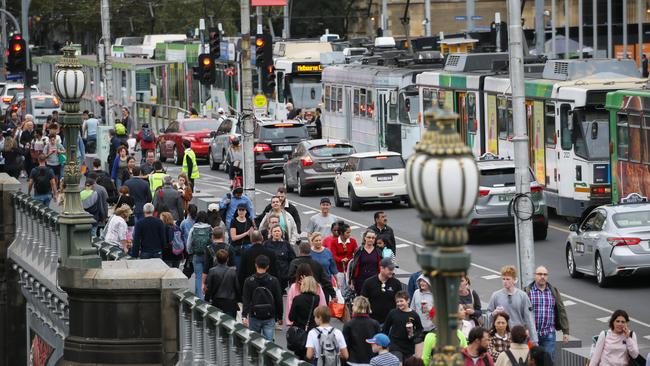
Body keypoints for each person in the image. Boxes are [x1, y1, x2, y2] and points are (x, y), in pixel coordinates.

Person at [524, 266, 570, 362]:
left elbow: (561, 310)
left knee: (548, 361)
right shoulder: (528, 291)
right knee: (531, 361)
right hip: (532, 334)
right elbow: (522, 312)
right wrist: (525, 328)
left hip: (548, 334)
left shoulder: (552, 291)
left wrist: (565, 331)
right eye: (540, 274)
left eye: (545, 274)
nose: (542, 277)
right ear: (535, 276)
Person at [487, 265, 538, 345]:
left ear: (514, 280)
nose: (505, 281)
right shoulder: (496, 295)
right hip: (502, 337)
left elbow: (529, 318)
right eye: (503, 279)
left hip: (519, 336)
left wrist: (534, 340)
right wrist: (494, 313)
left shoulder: (523, 296)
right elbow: (488, 315)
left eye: (508, 279)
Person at [242, 255, 283, 342]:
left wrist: (244, 315)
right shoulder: (274, 280)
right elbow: (278, 299)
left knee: (254, 341)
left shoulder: (249, 281)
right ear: (268, 266)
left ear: (256, 265)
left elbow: (246, 299)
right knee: (269, 342)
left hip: (254, 314)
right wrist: (280, 316)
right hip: (269, 315)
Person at [382, 291, 424, 361]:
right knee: (398, 363)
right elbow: (385, 329)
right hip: (395, 345)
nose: (399, 303)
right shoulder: (393, 313)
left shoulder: (414, 315)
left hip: (409, 346)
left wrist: (414, 335)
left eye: (401, 301)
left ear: (408, 300)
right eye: (397, 302)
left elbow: (420, 329)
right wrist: (384, 344)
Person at [287, 276, 322, 359]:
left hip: (299, 331)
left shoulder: (297, 299)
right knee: (311, 355)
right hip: (312, 329)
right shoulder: (316, 298)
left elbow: (291, 317)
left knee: (299, 355)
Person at [361, 258, 402, 324]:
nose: (392, 271)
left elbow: (400, 302)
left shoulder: (396, 283)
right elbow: (363, 301)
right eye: (390, 269)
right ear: (381, 268)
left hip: (390, 321)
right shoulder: (369, 282)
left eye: (393, 269)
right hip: (372, 321)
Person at [343, 296, 382, 366]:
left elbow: (345, 345)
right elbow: (379, 344)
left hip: (353, 361)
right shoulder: (375, 323)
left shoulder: (348, 325)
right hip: (371, 361)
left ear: (355, 307)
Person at [204, 249, 239, 318]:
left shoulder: (212, 271)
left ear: (216, 259)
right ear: (227, 259)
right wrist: (238, 300)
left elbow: (209, 287)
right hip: (230, 302)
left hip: (217, 301)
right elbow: (237, 288)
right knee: (230, 325)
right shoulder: (233, 272)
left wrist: (206, 299)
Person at [187, 211, 213, 297]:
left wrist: (190, 252)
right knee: (208, 276)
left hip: (197, 255)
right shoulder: (210, 228)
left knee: (198, 277)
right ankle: (208, 296)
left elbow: (189, 243)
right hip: (208, 256)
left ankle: (199, 298)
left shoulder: (193, 228)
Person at [202, 226, 236, 293]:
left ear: (212, 237)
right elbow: (233, 267)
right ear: (223, 236)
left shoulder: (208, 249)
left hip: (213, 279)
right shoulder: (230, 248)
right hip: (227, 279)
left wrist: (203, 283)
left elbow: (206, 268)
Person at [264, 224, 296, 291]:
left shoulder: (286, 244)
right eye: (275, 231)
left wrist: (289, 273)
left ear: (281, 233)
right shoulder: (266, 244)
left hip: (284, 274)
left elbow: (293, 259)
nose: (277, 233)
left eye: (278, 231)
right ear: (271, 233)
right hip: (270, 274)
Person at [348, 230, 381, 294]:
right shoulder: (359, 250)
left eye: (373, 238)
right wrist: (352, 280)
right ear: (365, 238)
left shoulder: (378, 251)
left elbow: (381, 266)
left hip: (374, 281)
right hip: (360, 281)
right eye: (369, 237)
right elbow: (354, 266)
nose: (371, 239)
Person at [230, 203, 256, 268]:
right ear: (237, 211)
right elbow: (233, 237)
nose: (241, 211)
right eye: (239, 210)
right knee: (239, 267)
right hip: (237, 248)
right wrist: (246, 233)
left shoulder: (249, 221)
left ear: (246, 211)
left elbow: (252, 236)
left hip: (248, 247)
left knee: (248, 267)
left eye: (243, 210)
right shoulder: (234, 221)